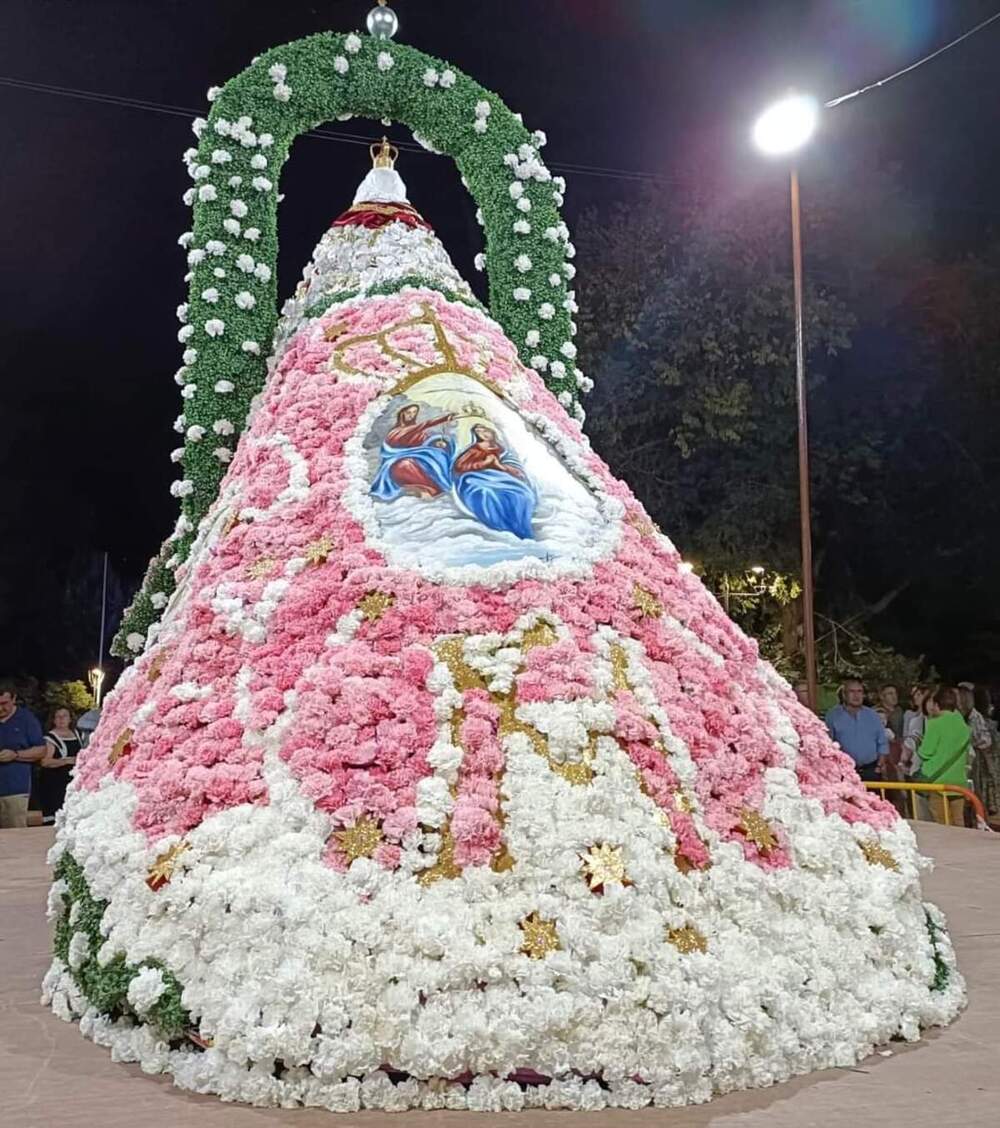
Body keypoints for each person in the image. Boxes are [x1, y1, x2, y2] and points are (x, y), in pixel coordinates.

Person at [452, 423, 537, 538]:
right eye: (478, 432)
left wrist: (502, 467)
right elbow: (459, 467)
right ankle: (501, 526)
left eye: (484, 430)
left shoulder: (501, 449)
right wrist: (484, 463)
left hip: (498, 477)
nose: (483, 434)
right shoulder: (474, 449)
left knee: (523, 493)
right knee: (487, 493)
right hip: (474, 478)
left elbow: (505, 466)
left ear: (492, 432)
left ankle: (519, 526)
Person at [370, 404, 456, 500]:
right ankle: (423, 489)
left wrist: (437, 444)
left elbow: (425, 444)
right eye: (408, 412)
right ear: (402, 414)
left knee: (437, 458)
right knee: (405, 464)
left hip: (418, 459)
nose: (412, 415)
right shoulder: (397, 431)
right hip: (397, 463)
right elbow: (423, 425)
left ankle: (433, 488)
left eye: (414, 412)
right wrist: (443, 419)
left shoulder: (418, 432)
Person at [915, 686, 970, 825]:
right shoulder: (963, 725)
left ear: (937, 704)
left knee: (942, 822)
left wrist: (918, 745)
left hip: (937, 781)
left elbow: (926, 753)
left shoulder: (935, 724)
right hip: (958, 781)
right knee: (959, 821)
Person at [0, 682, 46, 828]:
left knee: (13, 835)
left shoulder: (27, 720)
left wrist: (15, 755)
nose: (0, 708)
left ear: (14, 699)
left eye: (4, 703)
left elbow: (41, 750)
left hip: (14, 790)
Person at [825, 679, 888, 782]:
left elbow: (882, 743)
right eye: (852, 691)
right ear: (844, 695)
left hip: (871, 770)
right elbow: (828, 743)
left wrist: (879, 766)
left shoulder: (873, 716)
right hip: (844, 771)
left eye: (859, 691)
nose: (856, 695)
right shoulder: (833, 716)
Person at [961, 682, 1000, 818]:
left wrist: (971, 744)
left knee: (978, 797)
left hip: (978, 765)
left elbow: (986, 741)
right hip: (977, 765)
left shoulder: (975, 718)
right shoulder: (967, 717)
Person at [38, 707, 81, 825]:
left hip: (72, 781)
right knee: (55, 816)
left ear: (70, 719)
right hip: (54, 782)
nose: (61, 719)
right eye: (58, 716)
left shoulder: (77, 734)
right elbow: (45, 762)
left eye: (65, 716)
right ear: (53, 720)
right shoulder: (50, 738)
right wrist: (65, 761)